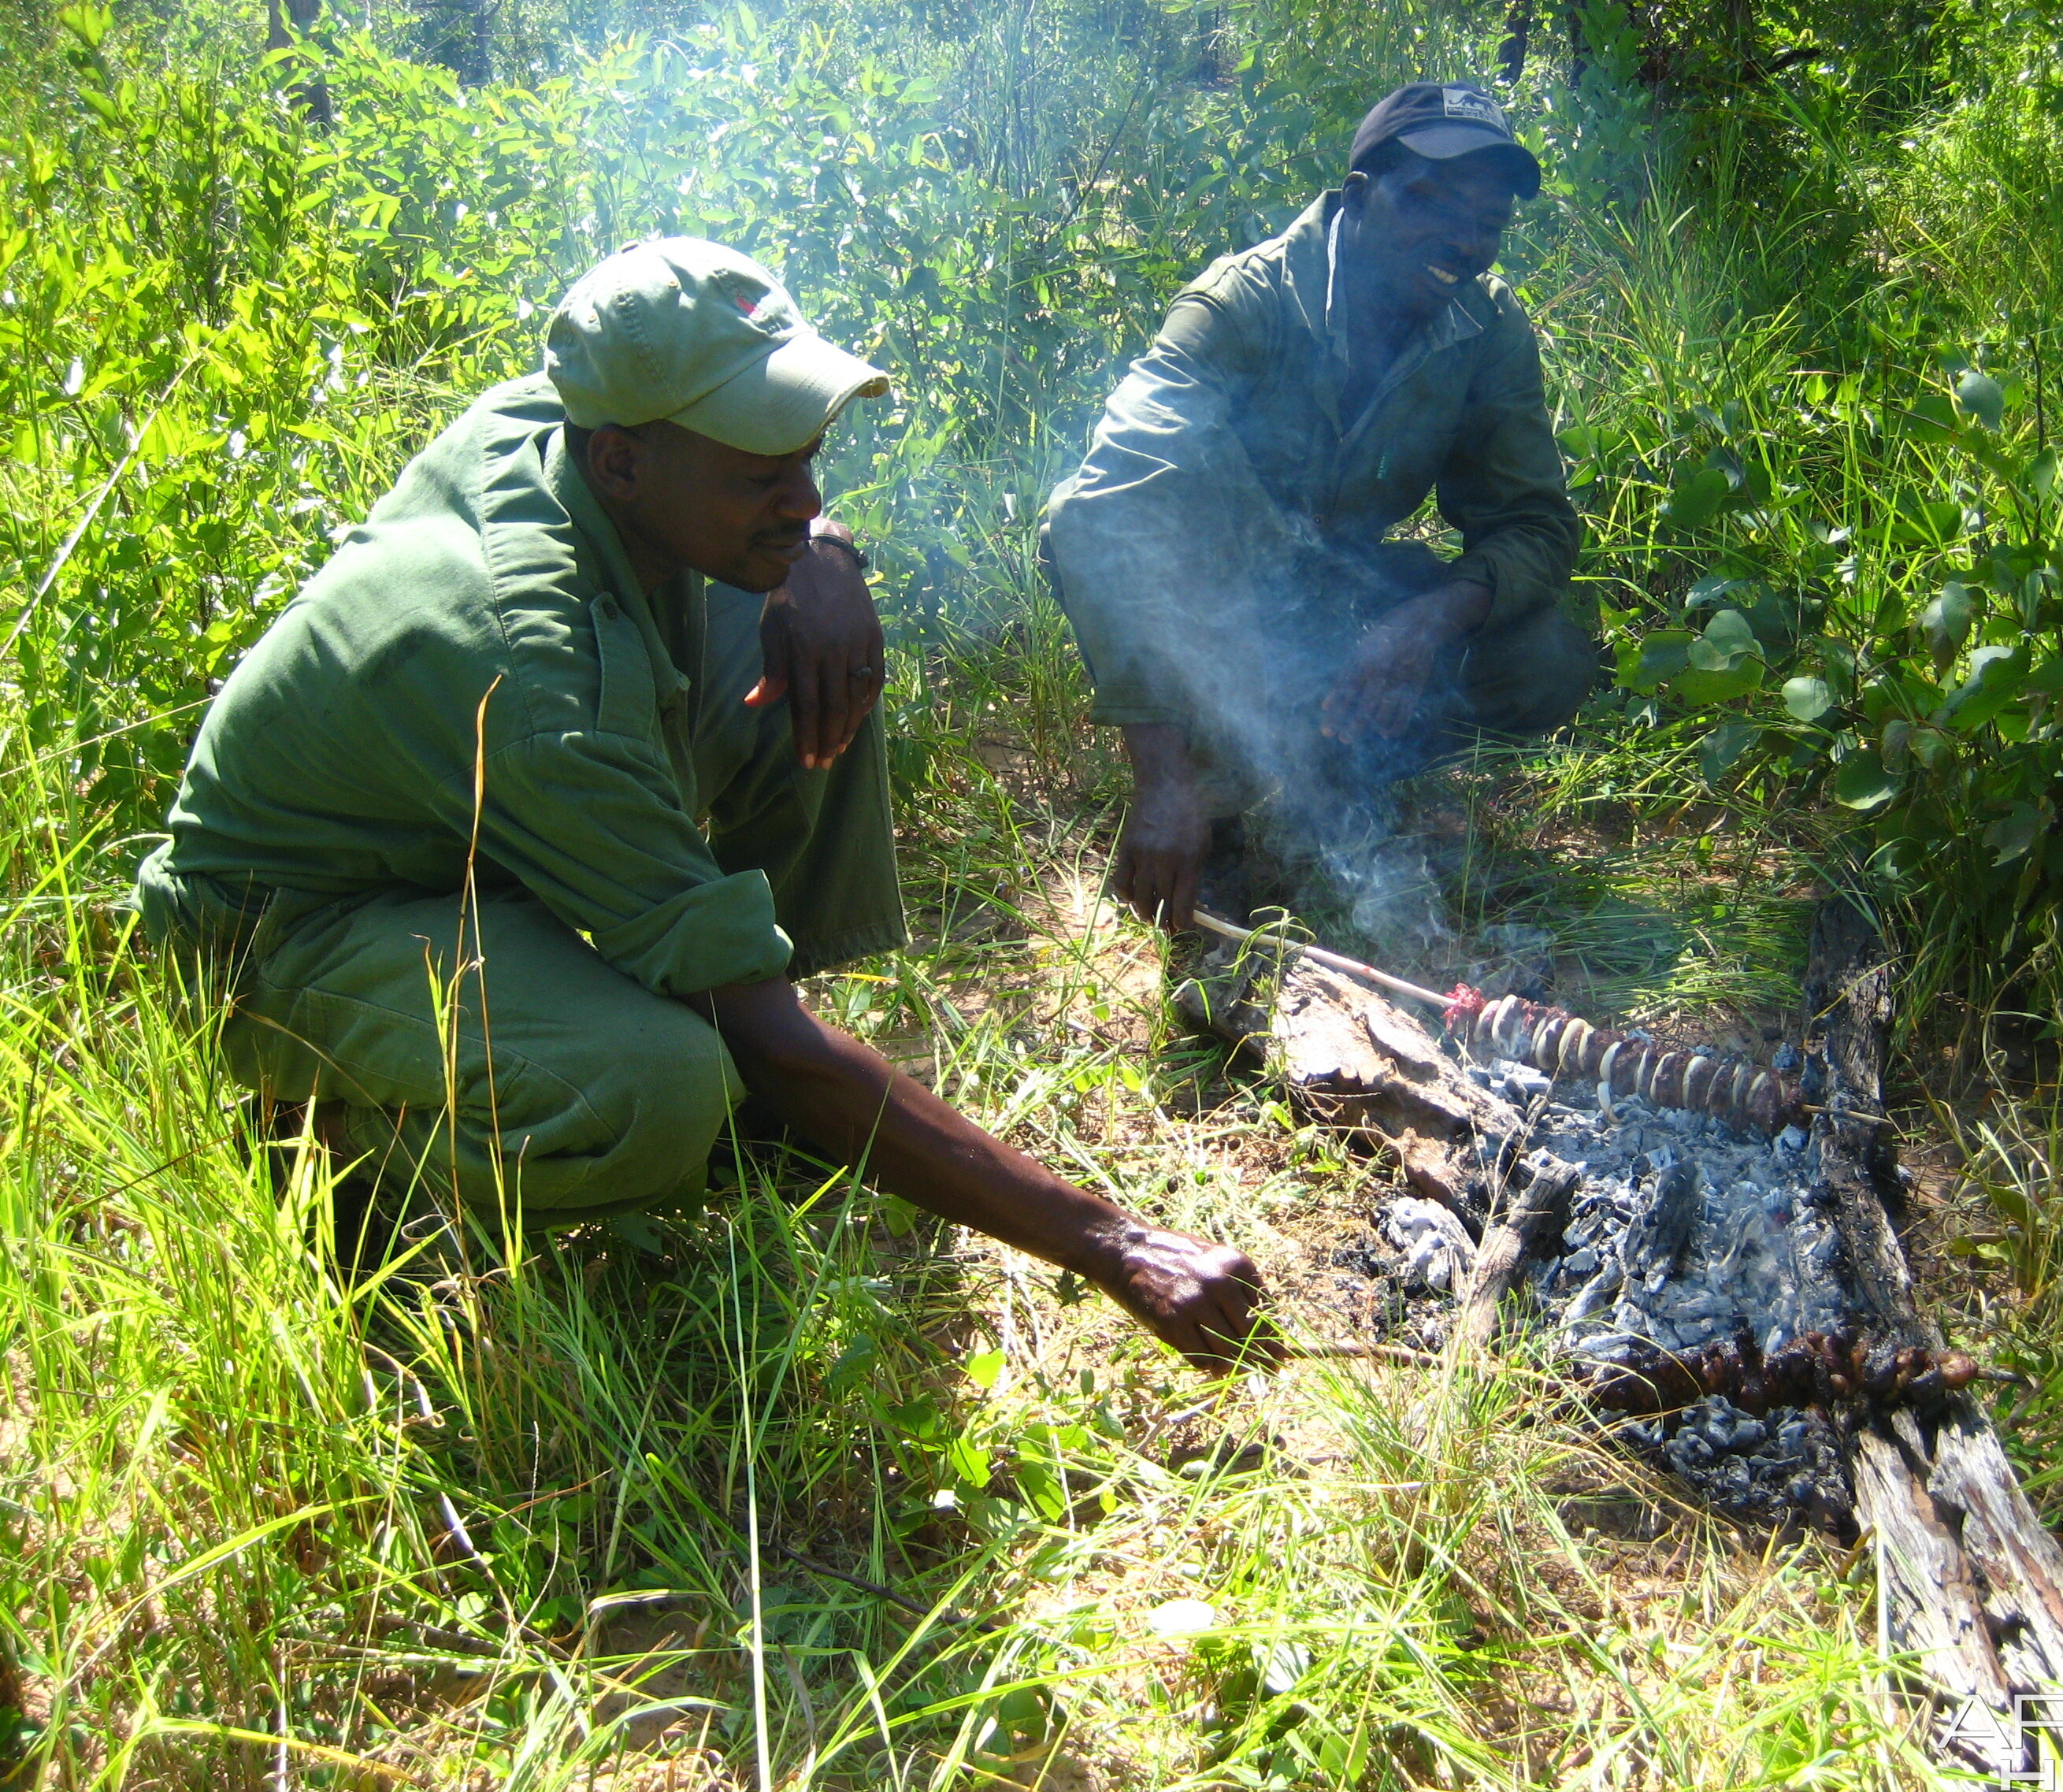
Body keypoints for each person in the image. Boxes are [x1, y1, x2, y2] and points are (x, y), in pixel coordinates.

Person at [137, 237, 1276, 1373]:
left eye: (808, 457)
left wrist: (825, 556)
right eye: (760, 476)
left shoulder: (577, 418)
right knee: (668, 1089)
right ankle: (339, 1135)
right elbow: (556, 696)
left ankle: (771, 1047)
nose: (805, 496)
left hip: (462, 837)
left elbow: (779, 518)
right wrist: (1114, 1244)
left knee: (820, 642)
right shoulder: (541, 683)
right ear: (626, 463)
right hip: (281, 937)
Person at [1044, 81, 1595, 934]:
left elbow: (1536, 526)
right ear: (1360, 197)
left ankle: (1326, 755)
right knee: (1121, 538)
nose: (1463, 239)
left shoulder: (1486, 331)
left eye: (1487, 221)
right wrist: (1160, 780)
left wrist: (1424, 624)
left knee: (1546, 657)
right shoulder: (1244, 305)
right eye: (1432, 201)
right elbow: (1100, 511)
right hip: (1209, 605)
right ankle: (1209, 753)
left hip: (1335, 595)